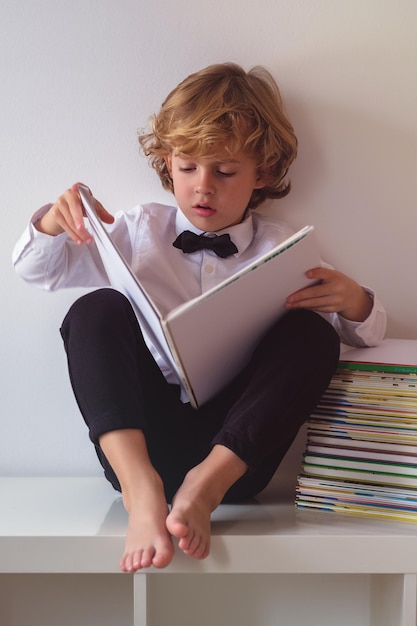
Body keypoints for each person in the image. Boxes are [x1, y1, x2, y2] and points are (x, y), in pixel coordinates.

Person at [13, 62, 386, 573]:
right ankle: (141, 495)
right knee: (93, 308)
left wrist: (355, 301)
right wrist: (52, 221)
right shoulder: (139, 230)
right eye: (187, 168)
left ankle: (202, 489)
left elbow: (371, 333)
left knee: (313, 335)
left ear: (264, 173)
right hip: (140, 441)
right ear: (167, 164)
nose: (203, 187)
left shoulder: (285, 250)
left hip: (236, 458)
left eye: (225, 171)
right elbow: (38, 272)